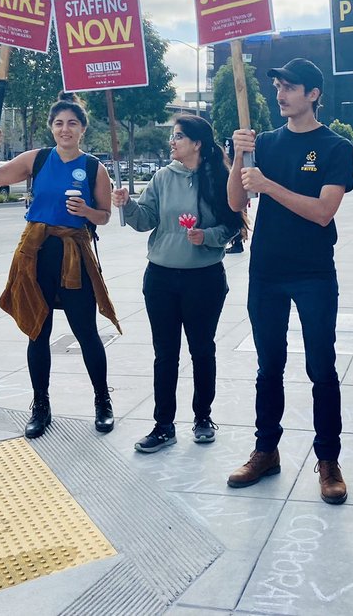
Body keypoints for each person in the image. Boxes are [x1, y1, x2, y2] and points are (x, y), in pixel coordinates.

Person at [226, 57, 353, 503]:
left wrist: (269, 184)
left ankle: (328, 459)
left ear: (313, 94)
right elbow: (236, 201)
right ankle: (266, 450)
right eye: (278, 85)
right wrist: (240, 157)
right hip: (267, 270)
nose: (281, 93)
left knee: (321, 367)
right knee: (268, 367)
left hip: (314, 272)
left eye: (291, 86)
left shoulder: (336, 146)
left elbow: (323, 212)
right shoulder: (265, 143)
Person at [0, 93, 121, 440]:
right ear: (51, 128)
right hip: (36, 254)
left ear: (82, 129)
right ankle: (41, 405)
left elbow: (104, 216)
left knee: (86, 332)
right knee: (37, 331)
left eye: (72, 123)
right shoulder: (39, 159)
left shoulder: (94, 167)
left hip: (74, 253)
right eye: (59, 123)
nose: (65, 129)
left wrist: (87, 214)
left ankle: (102, 402)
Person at [113, 114, 246, 453]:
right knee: (165, 354)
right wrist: (128, 205)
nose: (172, 142)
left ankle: (203, 417)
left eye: (178, 137)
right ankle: (163, 425)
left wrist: (208, 237)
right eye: (172, 137)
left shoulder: (219, 177)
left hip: (204, 279)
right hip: (160, 277)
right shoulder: (161, 177)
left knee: (202, 350)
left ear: (197, 143)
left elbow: (232, 225)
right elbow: (146, 221)